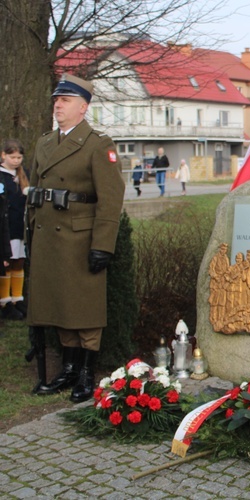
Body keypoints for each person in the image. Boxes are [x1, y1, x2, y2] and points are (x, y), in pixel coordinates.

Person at [27, 73, 125, 402]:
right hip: (48, 237)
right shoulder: (44, 143)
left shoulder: (98, 145)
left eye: (65, 100)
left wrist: (102, 245)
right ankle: (67, 370)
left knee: (84, 307)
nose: (58, 105)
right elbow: (37, 192)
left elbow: (111, 198)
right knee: (59, 304)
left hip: (79, 238)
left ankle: (85, 373)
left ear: (83, 107)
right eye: (56, 99)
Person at [0, 139, 28, 320]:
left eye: (19, 157)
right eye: (13, 157)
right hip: (6, 228)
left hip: (19, 227)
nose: (16, 160)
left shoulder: (22, 176)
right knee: (6, 263)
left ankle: (18, 299)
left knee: (18, 261)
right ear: (3, 155)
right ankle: (5, 302)